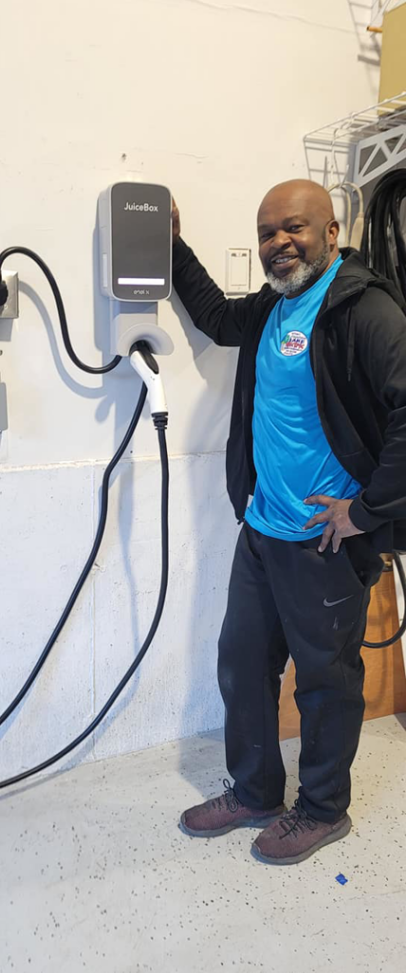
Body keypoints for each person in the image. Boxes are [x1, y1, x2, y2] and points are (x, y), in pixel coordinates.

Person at [172, 179, 406, 865]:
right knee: (243, 665)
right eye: (267, 232)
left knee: (324, 681)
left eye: (294, 228)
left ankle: (324, 809)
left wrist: (365, 511)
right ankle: (255, 793)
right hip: (264, 529)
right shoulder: (273, 308)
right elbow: (215, 317)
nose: (280, 243)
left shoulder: (365, 311)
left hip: (325, 542)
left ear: (332, 232)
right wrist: (172, 244)